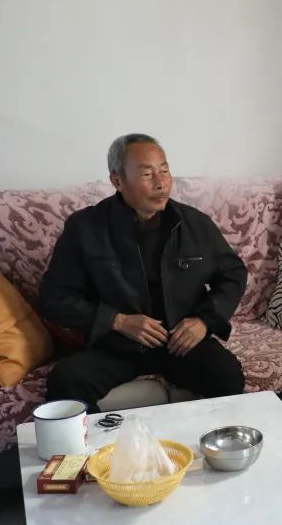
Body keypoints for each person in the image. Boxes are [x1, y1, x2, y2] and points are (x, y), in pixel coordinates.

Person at [38, 134, 247, 411]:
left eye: (165, 171)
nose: (161, 183)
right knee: (66, 380)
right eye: (148, 174)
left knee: (226, 373)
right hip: (116, 346)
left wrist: (204, 321)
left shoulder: (194, 223)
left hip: (179, 343)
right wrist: (117, 321)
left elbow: (233, 274)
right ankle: (98, 443)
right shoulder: (85, 228)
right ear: (117, 181)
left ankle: (205, 440)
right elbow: (53, 298)